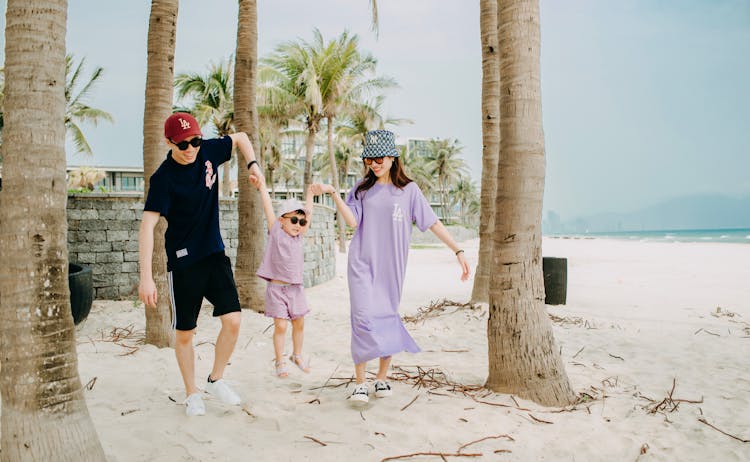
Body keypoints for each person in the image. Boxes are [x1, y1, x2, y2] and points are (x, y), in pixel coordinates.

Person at [316, 129, 470, 404]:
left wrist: (457, 250)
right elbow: (352, 222)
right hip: (361, 263)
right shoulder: (361, 190)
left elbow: (432, 222)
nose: (374, 164)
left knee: (386, 316)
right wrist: (334, 195)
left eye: (379, 158)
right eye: (369, 159)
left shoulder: (408, 191)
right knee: (362, 318)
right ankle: (361, 382)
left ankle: (382, 378)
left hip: (392, 267)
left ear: (392, 157)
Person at [138, 112, 263, 416]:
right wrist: (146, 278)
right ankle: (192, 393)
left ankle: (215, 380)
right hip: (183, 264)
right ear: (169, 142)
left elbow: (242, 138)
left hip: (214, 255)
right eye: (184, 145)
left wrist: (253, 166)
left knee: (233, 320)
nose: (192, 148)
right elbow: (147, 225)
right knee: (184, 334)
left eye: (195, 140)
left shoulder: (208, 150)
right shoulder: (163, 179)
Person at [250, 174, 319, 378]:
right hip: (277, 289)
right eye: (294, 220)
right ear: (282, 220)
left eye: (302, 221)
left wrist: (309, 195)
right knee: (280, 325)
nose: (299, 224)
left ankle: (297, 355)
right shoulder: (276, 231)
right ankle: (280, 360)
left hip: (296, 289)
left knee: (299, 323)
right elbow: (267, 207)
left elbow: (310, 213)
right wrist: (262, 186)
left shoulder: (299, 237)